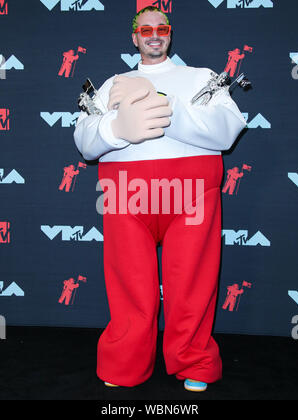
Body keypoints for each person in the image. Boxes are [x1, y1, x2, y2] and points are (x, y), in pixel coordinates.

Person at [73, 6, 247, 392]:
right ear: (134, 37)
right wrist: (115, 128)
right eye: (145, 28)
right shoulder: (112, 84)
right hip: (126, 195)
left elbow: (228, 129)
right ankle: (123, 365)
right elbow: (84, 141)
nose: (154, 33)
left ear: (170, 33)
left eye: (162, 27)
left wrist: (162, 101)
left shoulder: (200, 78)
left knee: (193, 283)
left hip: (192, 195)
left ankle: (196, 362)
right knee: (129, 285)